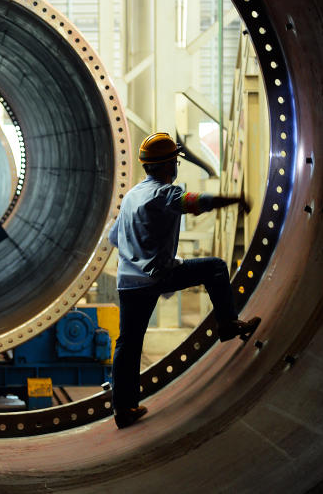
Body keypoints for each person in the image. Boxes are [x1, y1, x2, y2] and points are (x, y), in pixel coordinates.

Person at [108, 132, 261, 429]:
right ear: (169, 166)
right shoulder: (163, 193)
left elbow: (115, 238)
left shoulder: (133, 196)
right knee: (215, 267)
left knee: (127, 343)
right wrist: (235, 199)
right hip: (156, 275)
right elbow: (196, 201)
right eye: (175, 162)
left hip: (128, 281)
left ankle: (123, 408)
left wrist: (139, 252)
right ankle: (228, 324)